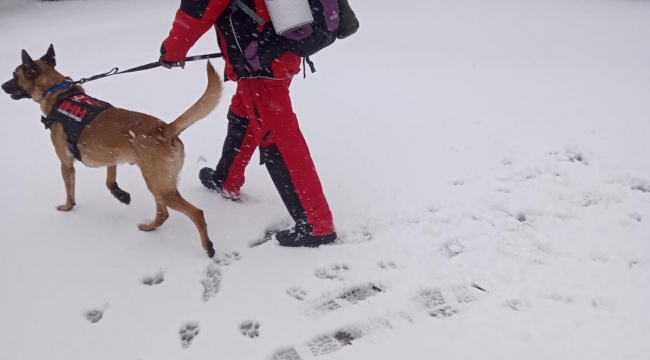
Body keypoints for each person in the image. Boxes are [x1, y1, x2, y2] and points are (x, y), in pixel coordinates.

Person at [159, 0, 336, 247]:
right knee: (243, 113)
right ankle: (226, 180)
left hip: (261, 63)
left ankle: (316, 224)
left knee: (280, 140)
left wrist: (172, 52)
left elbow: (198, 9)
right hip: (277, 50)